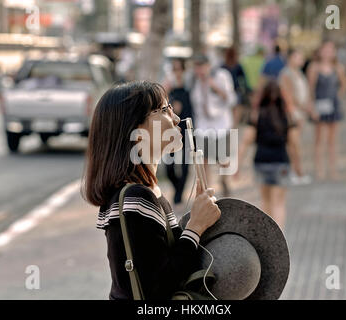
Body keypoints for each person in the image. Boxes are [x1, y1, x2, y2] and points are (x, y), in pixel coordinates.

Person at [82, 81, 221, 299]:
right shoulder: (136, 197)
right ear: (137, 133)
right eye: (165, 110)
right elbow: (159, 287)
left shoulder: (148, 191)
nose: (176, 119)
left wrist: (197, 219)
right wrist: (196, 226)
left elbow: (164, 260)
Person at [236, 81, 292, 230]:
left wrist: (237, 166)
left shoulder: (256, 115)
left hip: (261, 162)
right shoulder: (285, 114)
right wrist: (297, 164)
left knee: (266, 202)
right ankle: (280, 239)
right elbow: (294, 143)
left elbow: (245, 142)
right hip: (281, 162)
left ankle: (268, 238)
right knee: (279, 203)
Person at [190, 54, 237, 197]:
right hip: (203, 126)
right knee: (203, 159)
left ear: (208, 66)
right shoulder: (193, 81)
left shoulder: (221, 76)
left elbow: (232, 99)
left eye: (202, 67)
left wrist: (215, 87)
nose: (199, 71)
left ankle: (224, 180)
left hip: (221, 125)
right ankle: (207, 190)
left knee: (223, 159)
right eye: (197, 68)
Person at [307, 41, 346, 180]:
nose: (328, 52)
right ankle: (319, 169)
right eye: (325, 49)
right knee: (319, 139)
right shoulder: (314, 67)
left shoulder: (338, 67)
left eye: (331, 50)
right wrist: (311, 106)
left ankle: (333, 170)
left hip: (333, 105)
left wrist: (338, 96)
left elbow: (345, 84)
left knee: (333, 140)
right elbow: (310, 89)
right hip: (320, 105)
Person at [279, 48, 316, 185]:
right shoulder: (286, 74)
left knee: (296, 144)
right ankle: (294, 171)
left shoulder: (299, 73)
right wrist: (301, 108)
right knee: (293, 144)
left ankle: (296, 170)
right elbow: (288, 95)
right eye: (298, 57)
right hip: (292, 113)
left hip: (300, 112)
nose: (301, 60)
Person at [163, 58, 193, 204]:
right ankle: (177, 188)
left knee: (186, 162)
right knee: (169, 164)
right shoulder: (169, 84)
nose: (177, 72)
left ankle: (179, 194)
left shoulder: (190, 84)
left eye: (178, 69)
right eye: (174, 69)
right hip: (171, 127)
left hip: (187, 125)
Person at [221, 47, 251, 128]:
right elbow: (243, 78)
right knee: (236, 109)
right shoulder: (237, 65)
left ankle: (230, 126)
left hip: (228, 90)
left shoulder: (223, 66)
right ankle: (233, 126)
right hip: (234, 90)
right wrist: (246, 89)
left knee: (230, 109)